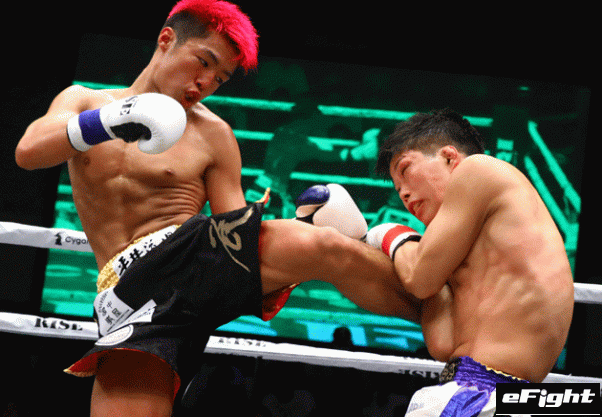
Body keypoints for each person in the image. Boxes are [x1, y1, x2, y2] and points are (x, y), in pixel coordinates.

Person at [15, 1, 419, 416]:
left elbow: (234, 237)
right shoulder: (84, 100)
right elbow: (28, 152)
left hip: (186, 256)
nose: (206, 82)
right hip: (124, 292)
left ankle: (440, 309)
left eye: (220, 78)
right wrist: (112, 120)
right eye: (203, 62)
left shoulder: (214, 134)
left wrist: (294, 252)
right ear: (167, 40)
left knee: (324, 246)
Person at [365, 108, 575, 416]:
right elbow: (443, 345)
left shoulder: (478, 169)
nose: (404, 195)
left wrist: (391, 234)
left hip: (480, 394)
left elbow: (419, 278)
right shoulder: (479, 251)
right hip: (497, 395)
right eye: (398, 190)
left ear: (449, 157)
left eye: (406, 170)